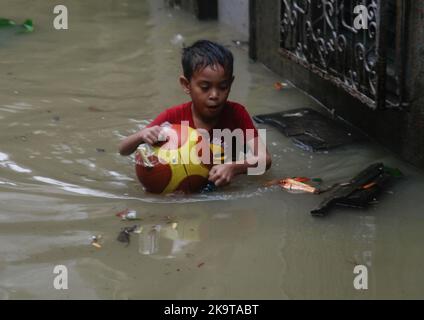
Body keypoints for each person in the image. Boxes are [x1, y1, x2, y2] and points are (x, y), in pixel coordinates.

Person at [119, 40, 271, 187]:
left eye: (223, 87)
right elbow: (123, 149)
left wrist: (235, 167)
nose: (214, 95)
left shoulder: (237, 114)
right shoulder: (172, 118)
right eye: (205, 87)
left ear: (230, 84)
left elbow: (265, 159)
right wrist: (142, 134)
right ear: (186, 85)